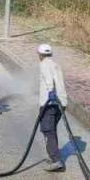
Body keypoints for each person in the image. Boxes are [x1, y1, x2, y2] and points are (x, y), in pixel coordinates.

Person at [36, 43, 69, 172]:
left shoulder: (44, 64)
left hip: (49, 103)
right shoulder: (56, 65)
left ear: (39, 54)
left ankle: (56, 160)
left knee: (48, 130)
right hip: (61, 103)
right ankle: (54, 156)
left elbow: (49, 80)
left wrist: (50, 93)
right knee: (52, 130)